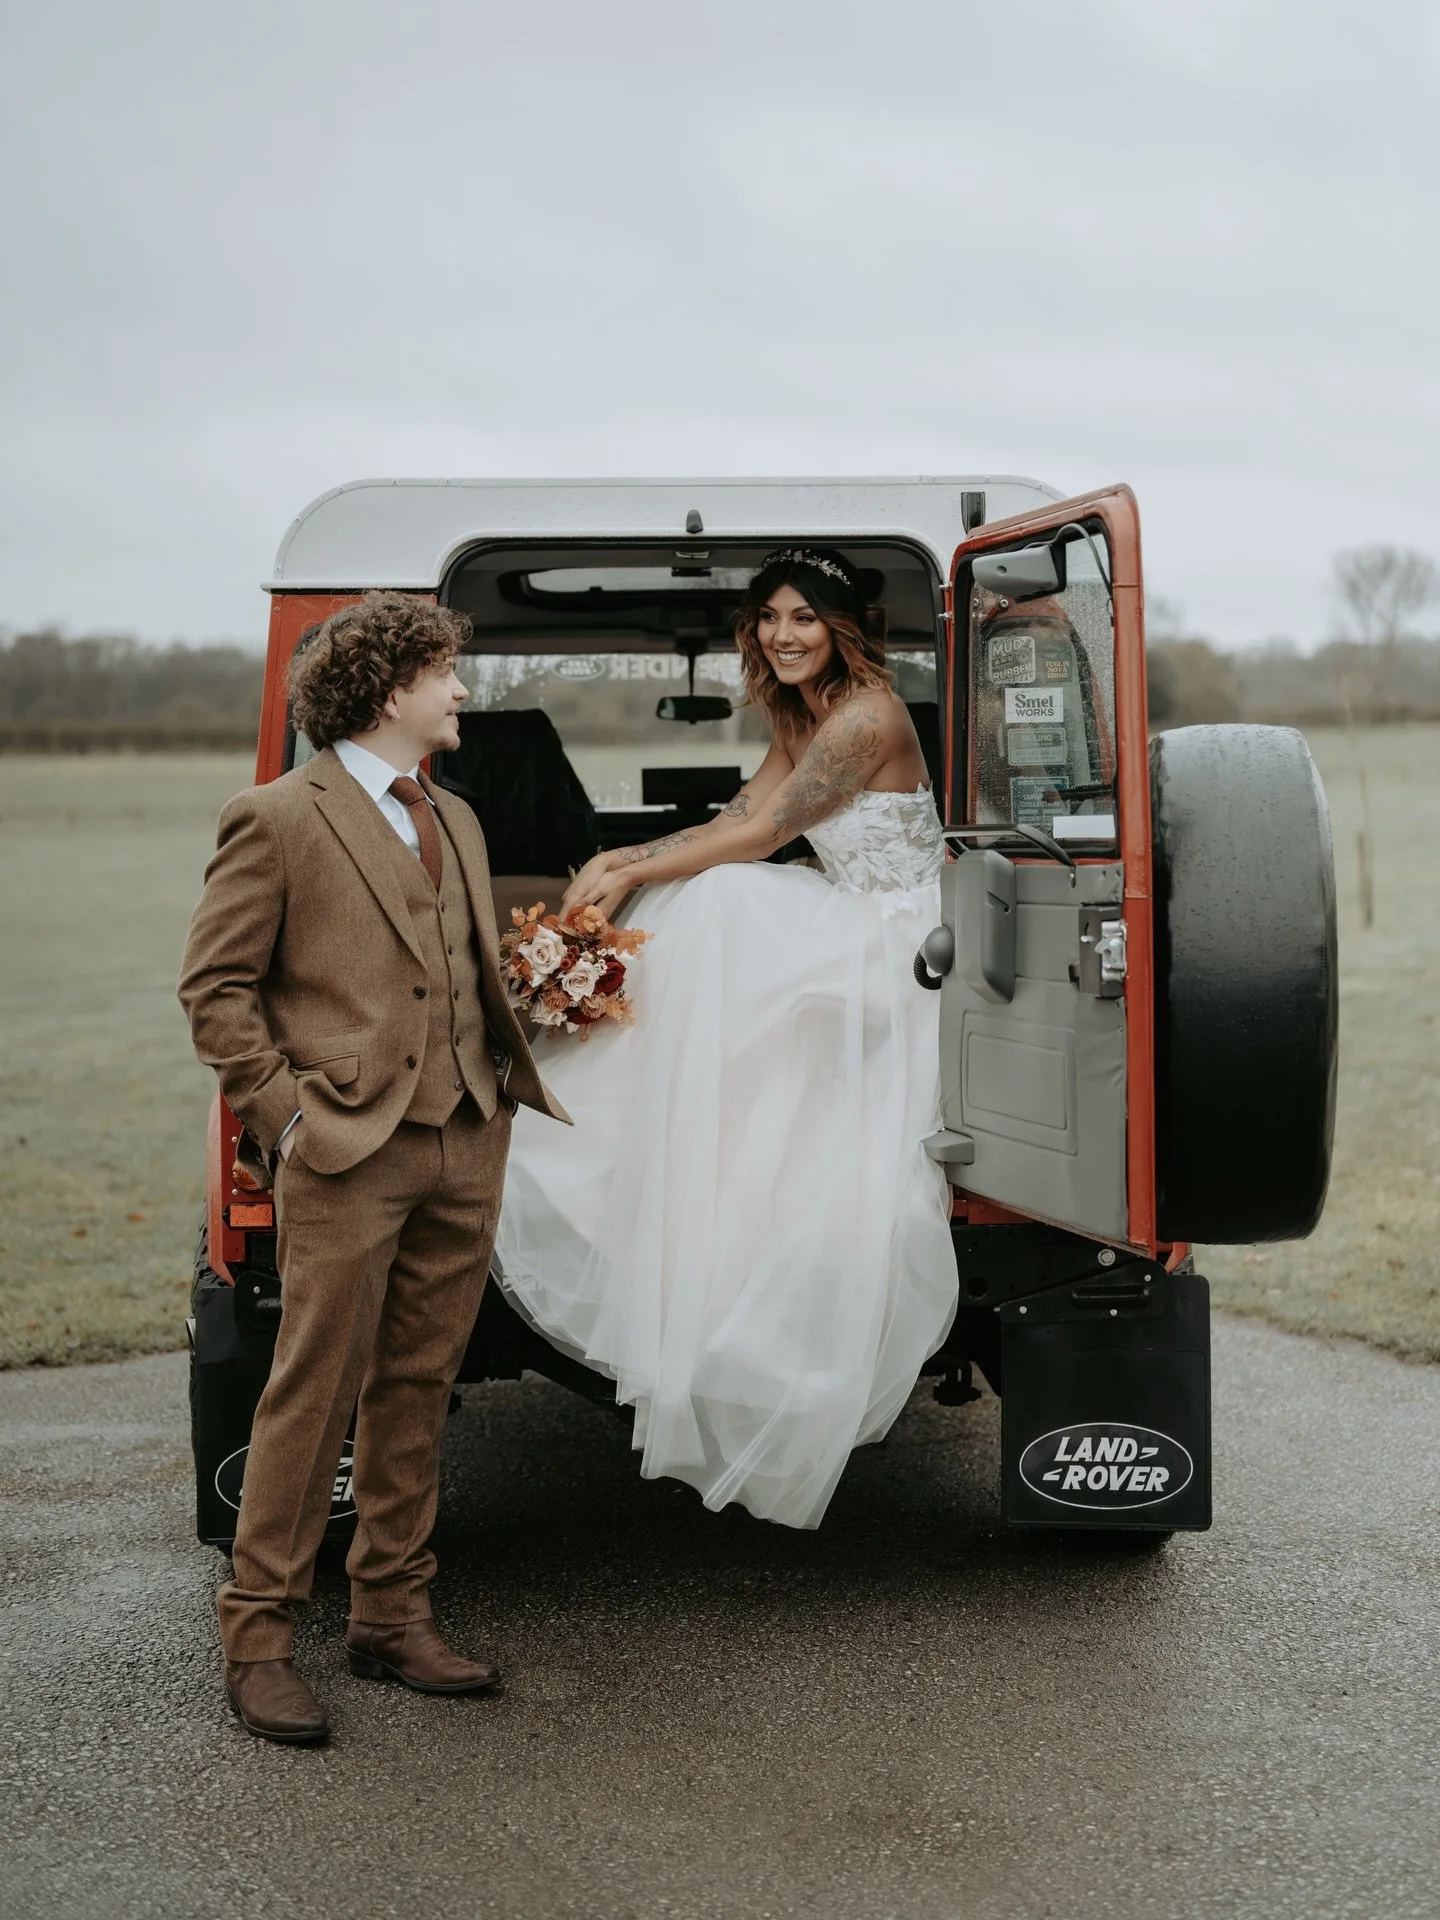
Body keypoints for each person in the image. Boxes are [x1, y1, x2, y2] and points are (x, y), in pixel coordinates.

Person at [494, 546, 957, 1529]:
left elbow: (764, 836)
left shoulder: (866, 715)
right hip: (851, 918)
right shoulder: (801, 710)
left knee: (731, 899)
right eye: (770, 618)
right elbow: (741, 809)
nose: (784, 635)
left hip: (900, 936)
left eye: (805, 617)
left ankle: (661, 1157)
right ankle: (664, 1154)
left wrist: (628, 868)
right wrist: (630, 855)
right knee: (711, 903)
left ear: (842, 627)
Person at [179, 593, 567, 1745]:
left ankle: (391, 1615)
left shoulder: (456, 815)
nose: (462, 691)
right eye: (445, 673)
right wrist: (288, 1120)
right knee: (314, 1391)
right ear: (391, 689)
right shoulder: (277, 817)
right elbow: (215, 989)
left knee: (417, 1386)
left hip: (464, 1135)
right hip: (344, 1147)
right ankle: (258, 1639)